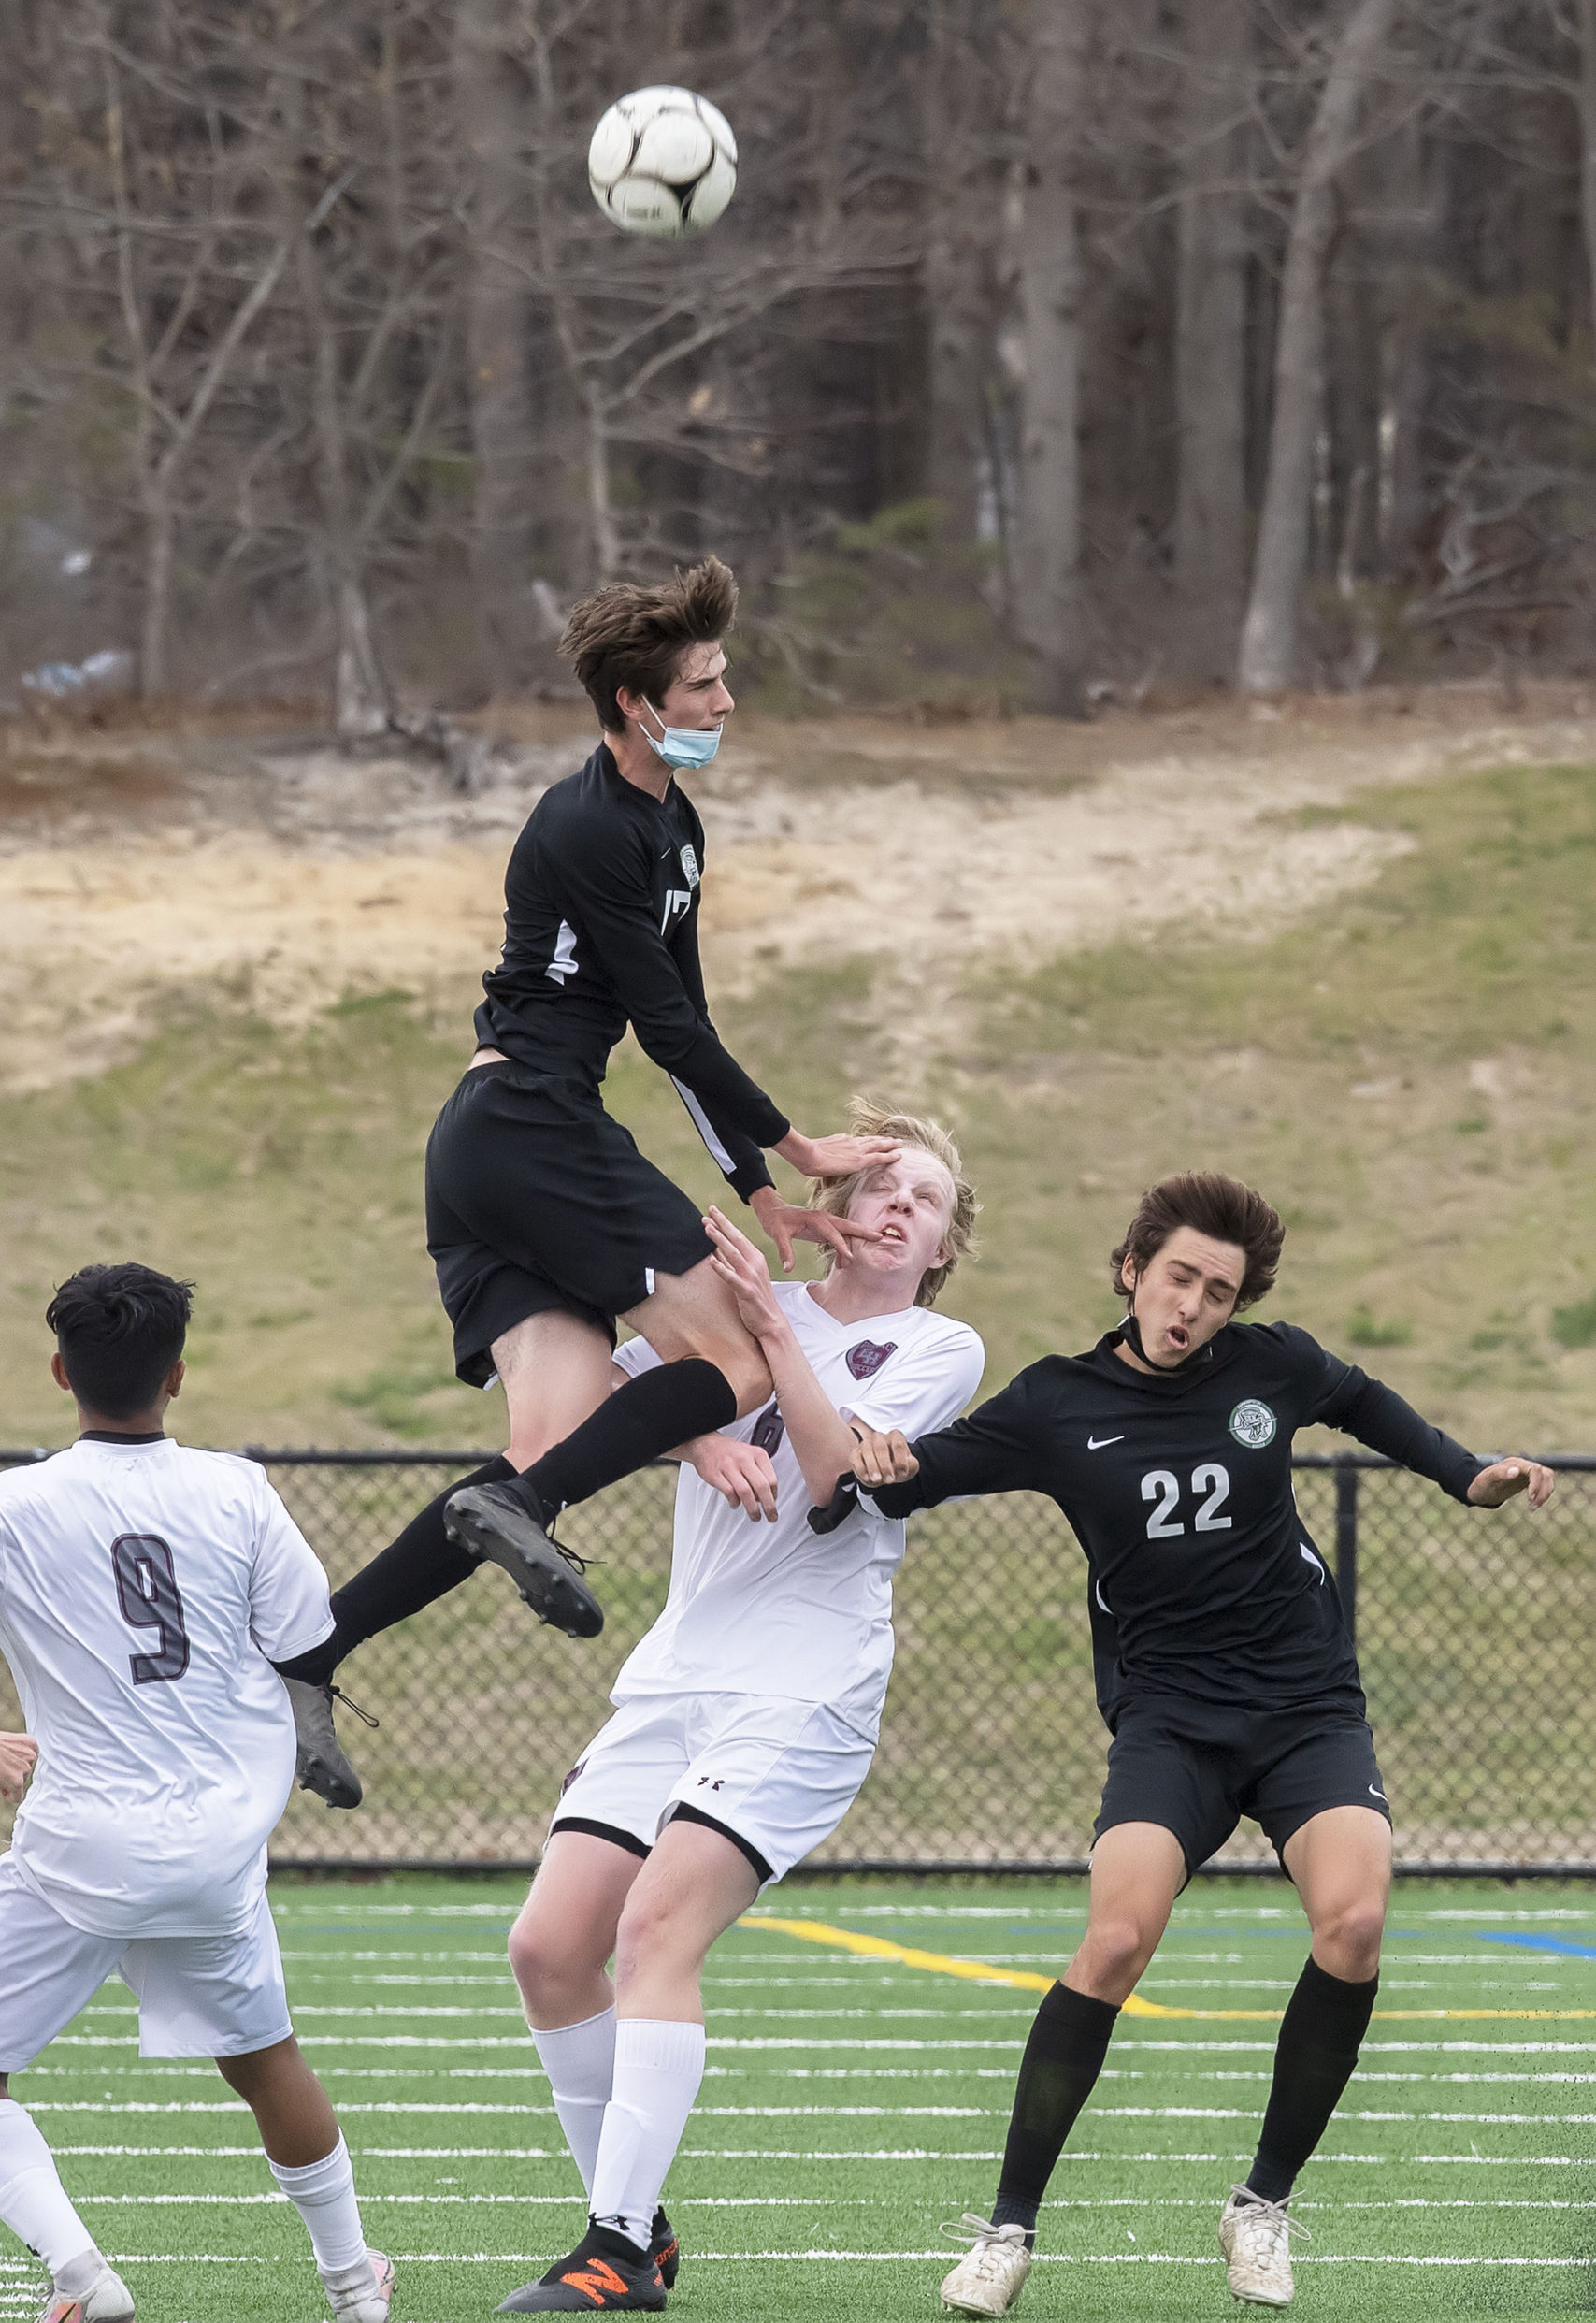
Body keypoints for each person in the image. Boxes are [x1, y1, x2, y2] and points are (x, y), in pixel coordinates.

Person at [841, 1172, 1554, 2314]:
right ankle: (1008, 2229)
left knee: (1358, 1922)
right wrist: (876, 1468)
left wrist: (1468, 1473)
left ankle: (1260, 2205)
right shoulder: (1056, 1402)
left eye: (1219, 1291)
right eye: (1179, 1277)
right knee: (1117, 1938)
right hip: (1170, 1715)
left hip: (1303, 1704)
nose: (1195, 1306)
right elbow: (923, 1476)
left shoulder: (1271, 1367)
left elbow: (1364, 1399)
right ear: (1133, 1271)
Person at [277, 558, 897, 1804]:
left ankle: (309, 1655)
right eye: (703, 684)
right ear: (630, 702)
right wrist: (799, 1148)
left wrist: (756, 1191)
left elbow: (686, 1013)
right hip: (529, 1125)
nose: (727, 702)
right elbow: (666, 1030)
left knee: (540, 1449)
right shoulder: (587, 827)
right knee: (734, 1360)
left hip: (490, 1142)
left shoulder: (674, 822)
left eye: (722, 676)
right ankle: (531, 1509)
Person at [495, 1105, 985, 2312]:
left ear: (941, 1245)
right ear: (835, 1209)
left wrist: (769, 1326)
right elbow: (581, 1412)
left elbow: (831, 1475)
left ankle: (608, 2247)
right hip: (678, 1668)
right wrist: (700, 1429)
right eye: (876, 1184)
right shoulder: (743, 1300)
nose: (892, 1206)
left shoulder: (941, 1345)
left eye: (919, 1200)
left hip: (803, 1681)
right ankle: (642, 2231)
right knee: (550, 1949)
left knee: (657, 1925)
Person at [0, 1264, 395, 2323]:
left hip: (81, 1847)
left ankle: (84, 2277)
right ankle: (355, 2285)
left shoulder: (16, 1504)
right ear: (176, 1375)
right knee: (267, 2063)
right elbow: (309, 1639)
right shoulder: (239, 1487)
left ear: (57, 1370)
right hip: (218, 1845)